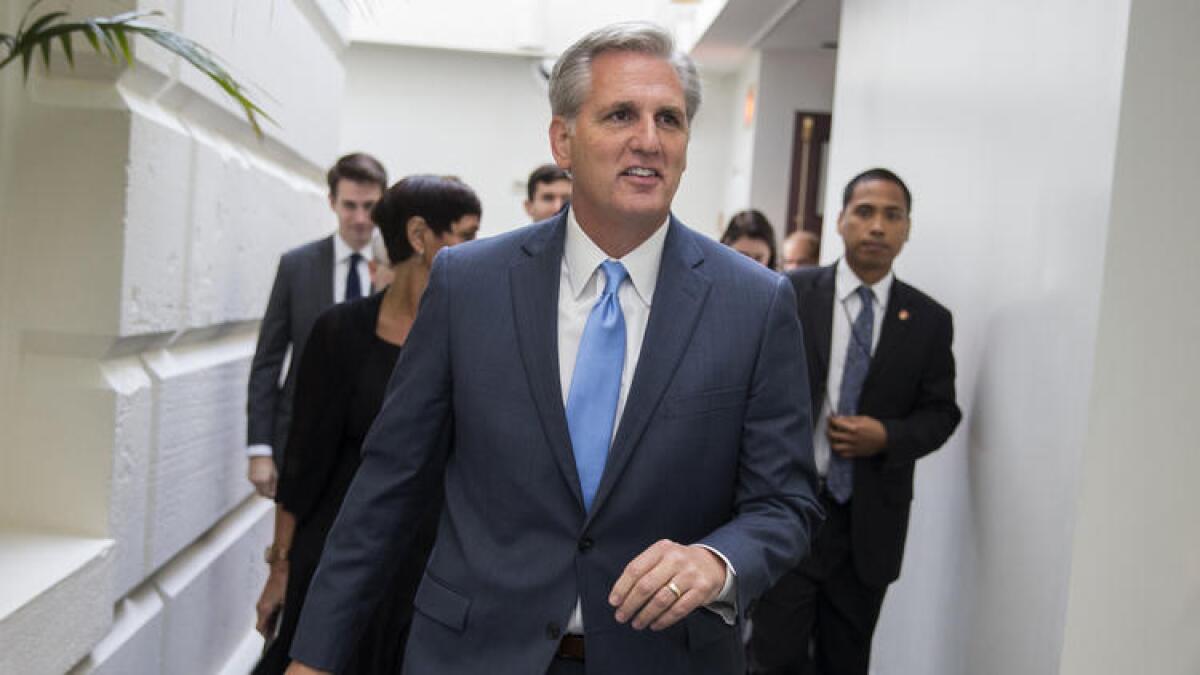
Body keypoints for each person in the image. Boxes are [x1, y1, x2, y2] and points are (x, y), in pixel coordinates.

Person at [285, 22, 821, 675]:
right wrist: (312, 659)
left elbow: (785, 503)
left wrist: (716, 560)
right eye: (621, 114)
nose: (648, 140)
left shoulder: (756, 303)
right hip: (471, 655)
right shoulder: (469, 285)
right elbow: (386, 488)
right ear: (563, 139)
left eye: (670, 120)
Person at [253, 175, 482, 674]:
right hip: (338, 554)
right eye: (465, 235)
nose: (476, 248)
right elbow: (303, 461)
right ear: (421, 237)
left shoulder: (474, 337)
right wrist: (281, 568)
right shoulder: (339, 332)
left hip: (429, 564)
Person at [747, 168, 962, 675]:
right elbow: (751, 392)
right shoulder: (789, 294)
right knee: (772, 657)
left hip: (867, 524)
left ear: (908, 229)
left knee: (845, 660)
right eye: (864, 212)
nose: (877, 227)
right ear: (841, 220)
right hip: (789, 508)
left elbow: (942, 413)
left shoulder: (929, 320)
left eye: (893, 215)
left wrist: (887, 436)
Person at [246, 153, 388, 499]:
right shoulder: (297, 266)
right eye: (349, 205)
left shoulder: (397, 268)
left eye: (369, 206)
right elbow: (268, 360)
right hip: (299, 443)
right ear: (332, 202)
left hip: (371, 448)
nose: (359, 218)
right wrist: (260, 449)